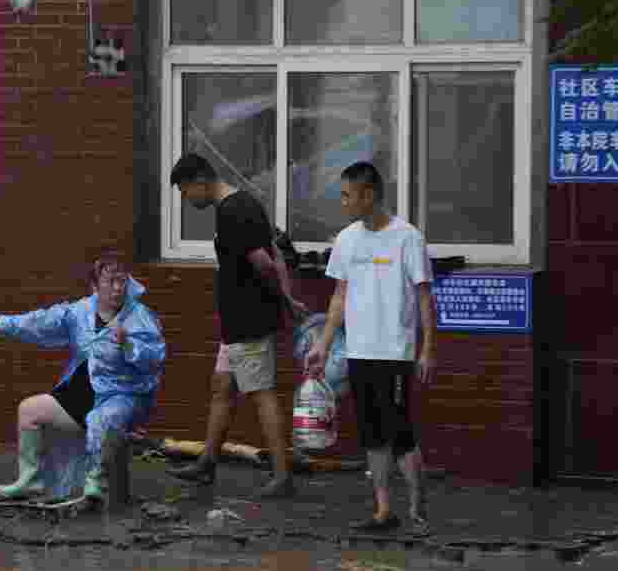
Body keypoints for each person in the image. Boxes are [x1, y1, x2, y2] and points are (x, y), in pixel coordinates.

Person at [0, 250, 165, 504]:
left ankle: (94, 485)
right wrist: (1, 325)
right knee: (29, 410)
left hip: (124, 396)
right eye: (110, 282)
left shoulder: (140, 317)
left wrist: (129, 345)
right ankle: (32, 480)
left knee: (101, 419)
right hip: (82, 392)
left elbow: (155, 357)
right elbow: (41, 322)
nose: (118, 288)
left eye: (122, 281)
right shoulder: (80, 312)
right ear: (95, 286)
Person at [165, 153, 307, 498]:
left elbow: (264, 263)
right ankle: (208, 462)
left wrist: (285, 302)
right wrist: (286, 298)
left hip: (248, 321)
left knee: (261, 394)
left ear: (198, 180)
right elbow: (274, 252)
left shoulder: (232, 212)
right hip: (236, 324)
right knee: (222, 388)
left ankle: (282, 476)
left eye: (186, 192)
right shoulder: (242, 204)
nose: (187, 200)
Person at [304, 161, 435, 535]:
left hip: (395, 353)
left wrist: (428, 349)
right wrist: (323, 345)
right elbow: (338, 298)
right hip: (359, 352)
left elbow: (425, 298)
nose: (343, 202)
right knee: (372, 435)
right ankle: (383, 511)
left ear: (369, 194)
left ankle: (418, 509)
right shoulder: (346, 240)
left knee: (401, 436)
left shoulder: (408, 237)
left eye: (348, 195)